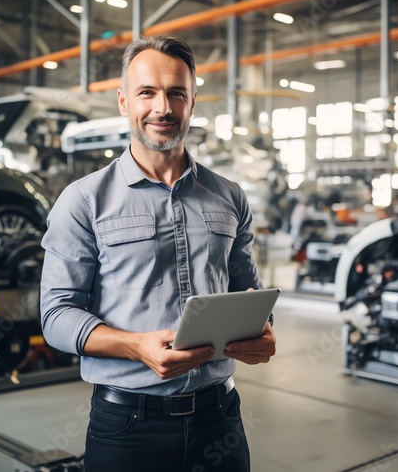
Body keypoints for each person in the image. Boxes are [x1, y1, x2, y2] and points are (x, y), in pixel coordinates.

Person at [40, 35, 276, 472]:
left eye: (176, 93)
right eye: (147, 92)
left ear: (192, 101)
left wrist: (262, 332)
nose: (163, 108)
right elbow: (56, 317)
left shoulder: (229, 196)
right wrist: (135, 347)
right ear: (123, 102)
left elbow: (247, 290)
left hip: (220, 420)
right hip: (129, 426)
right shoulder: (84, 201)